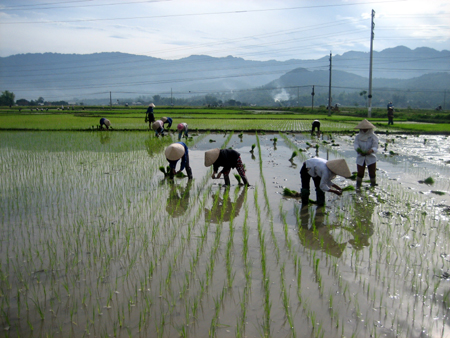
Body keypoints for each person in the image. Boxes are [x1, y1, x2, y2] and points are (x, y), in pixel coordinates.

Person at [354, 119, 379, 188]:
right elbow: (356, 145)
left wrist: (371, 150)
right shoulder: (358, 137)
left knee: (372, 172)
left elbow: (375, 146)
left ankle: (373, 185)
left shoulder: (373, 136)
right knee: (360, 173)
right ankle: (358, 186)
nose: (364, 130)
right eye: (363, 129)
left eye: (366, 129)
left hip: (371, 156)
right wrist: (359, 150)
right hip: (360, 156)